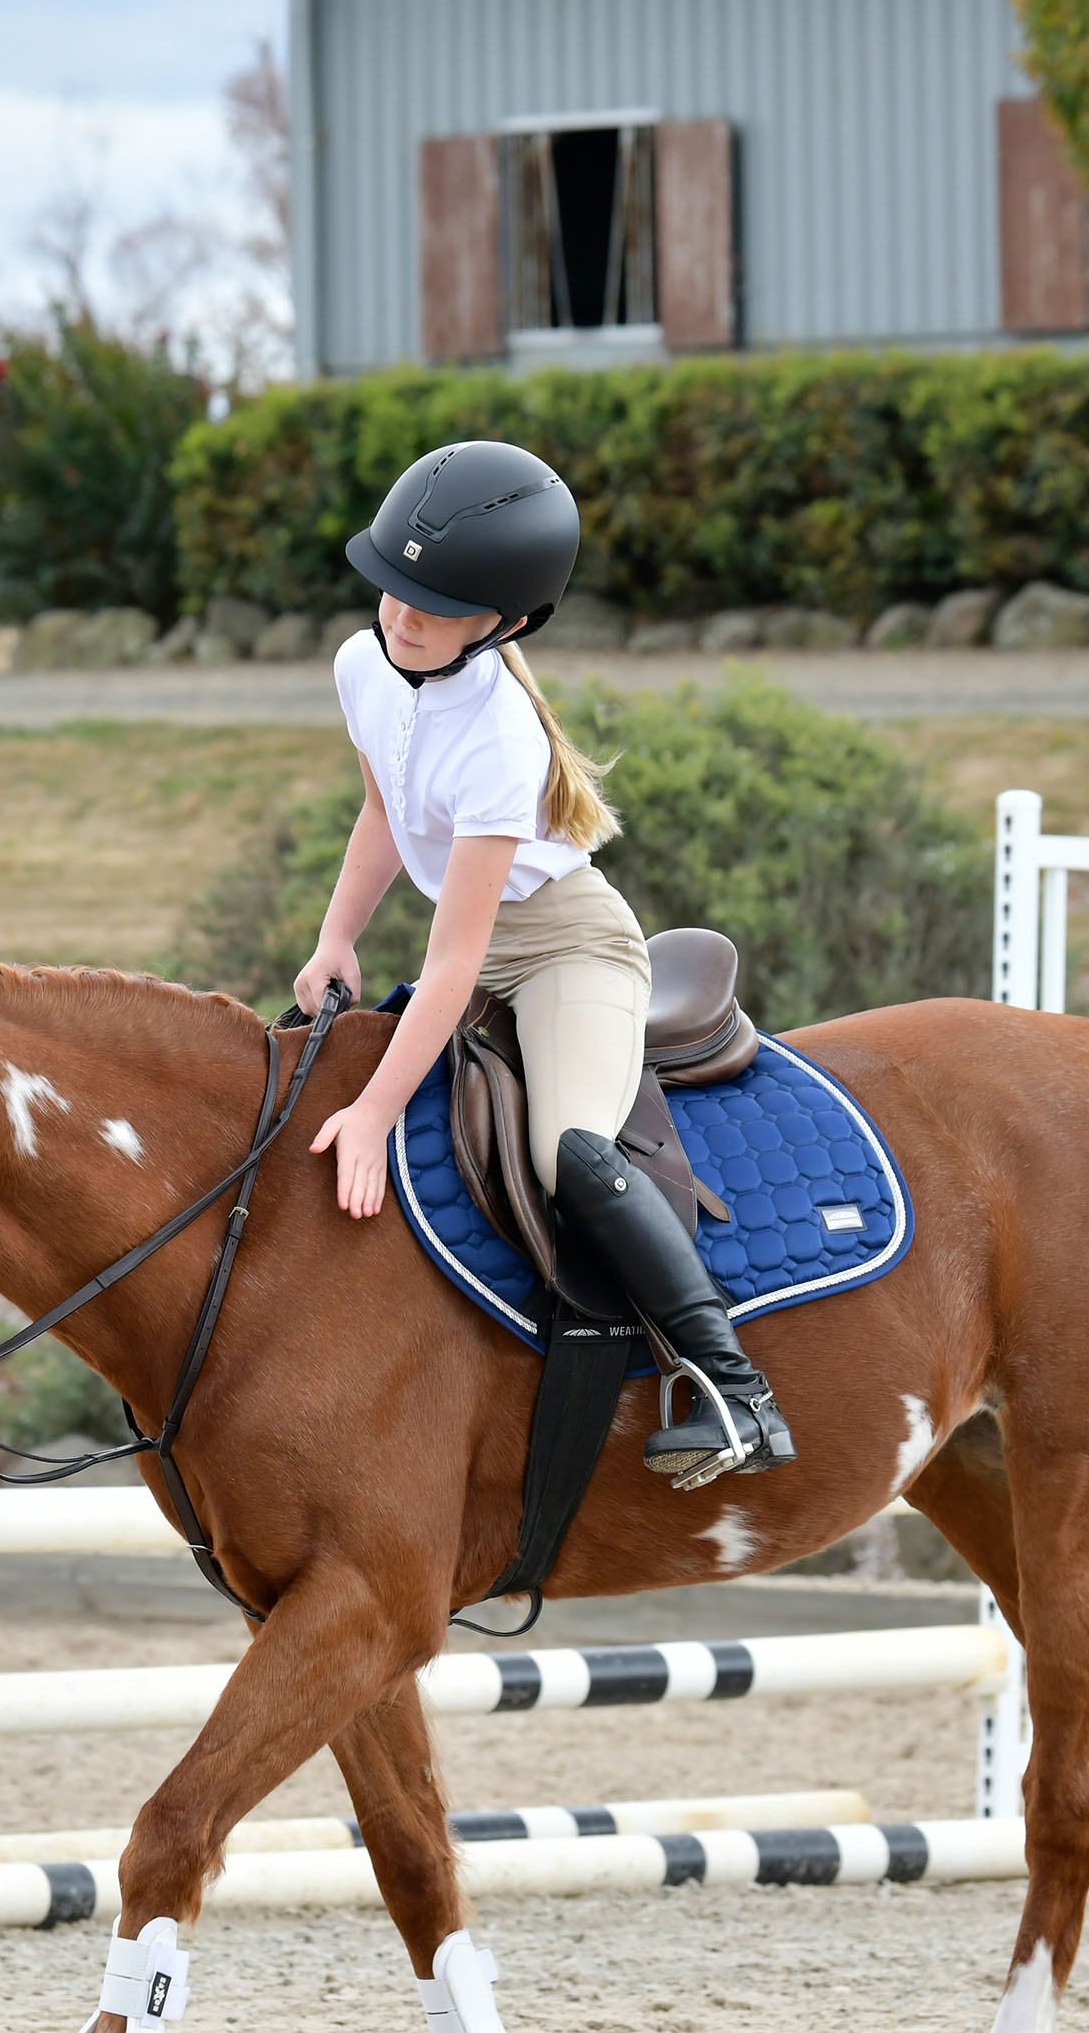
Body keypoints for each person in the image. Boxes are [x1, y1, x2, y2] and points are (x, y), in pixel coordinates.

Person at [295, 438, 795, 1484]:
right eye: (392, 589)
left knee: (565, 1147)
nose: (401, 616)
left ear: (508, 624)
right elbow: (385, 810)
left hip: (564, 946)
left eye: (432, 606)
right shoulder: (360, 663)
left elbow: (456, 957)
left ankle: (733, 1388)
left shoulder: (503, 736)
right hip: (470, 948)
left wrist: (379, 1110)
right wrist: (335, 933)